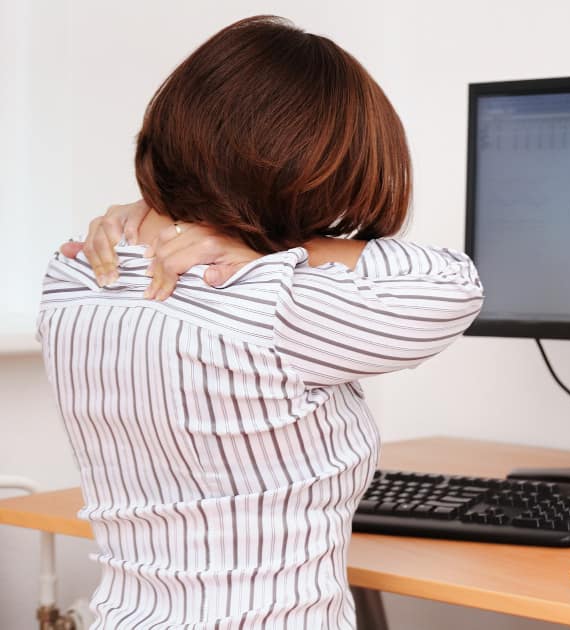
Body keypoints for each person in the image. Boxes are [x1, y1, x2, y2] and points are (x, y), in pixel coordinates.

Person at [39, 16, 483, 628]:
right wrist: (280, 248)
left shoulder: (73, 280)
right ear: (301, 177)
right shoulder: (275, 302)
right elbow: (455, 284)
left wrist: (154, 213)